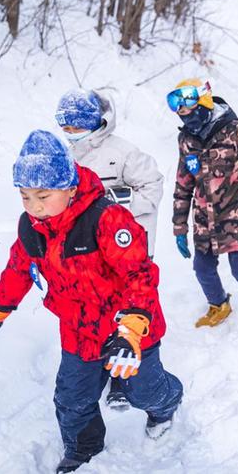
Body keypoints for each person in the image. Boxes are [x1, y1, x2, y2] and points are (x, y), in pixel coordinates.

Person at [0, 130, 183, 473]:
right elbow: (18, 269)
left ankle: (167, 404)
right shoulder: (32, 227)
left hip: (128, 328)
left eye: (43, 195)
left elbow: (140, 273)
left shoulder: (107, 219)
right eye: (25, 197)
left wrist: (131, 329)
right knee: (71, 400)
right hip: (78, 331)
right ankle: (83, 448)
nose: (34, 206)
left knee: (142, 390)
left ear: (69, 188)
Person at [55, 88, 164, 413]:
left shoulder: (124, 153)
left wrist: (116, 206)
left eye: (75, 126)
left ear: (93, 122)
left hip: (127, 249)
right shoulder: (66, 154)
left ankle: (121, 380)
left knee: (126, 310)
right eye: (65, 126)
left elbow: (153, 186)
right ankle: (100, 369)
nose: (70, 133)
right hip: (86, 253)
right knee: (93, 312)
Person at [168, 78, 238, 327]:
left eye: (188, 109)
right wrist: (179, 228)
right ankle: (219, 304)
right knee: (202, 269)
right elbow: (183, 184)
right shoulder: (186, 140)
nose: (184, 116)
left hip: (237, 219)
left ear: (204, 102)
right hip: (204, 222)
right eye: (180, 113)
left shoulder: (235, 131)